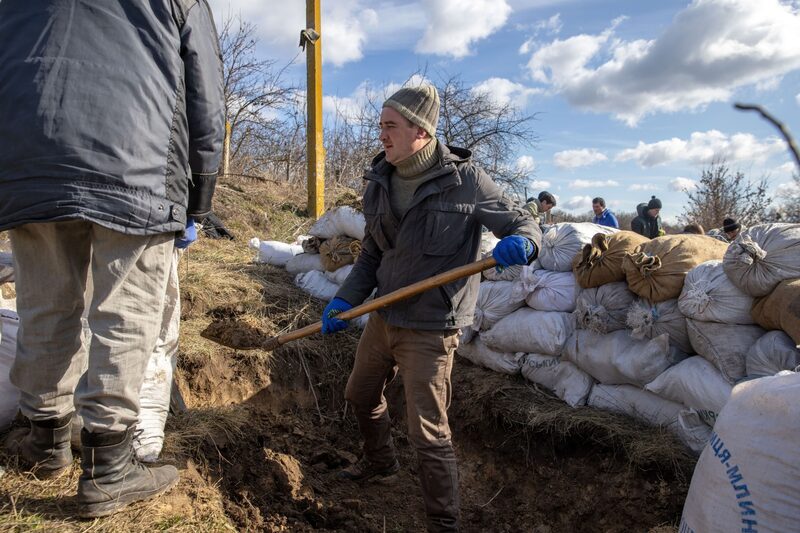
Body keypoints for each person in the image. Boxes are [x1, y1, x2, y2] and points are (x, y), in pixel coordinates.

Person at [0, 0, 224, 518]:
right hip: (137, 164)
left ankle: (46, 440)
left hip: (30, 161)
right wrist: (200, 197)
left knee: (45, 304)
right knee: (125, 312)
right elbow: (205, 94)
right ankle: (109, 467)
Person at [320, 85, 541, 532]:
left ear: (420, 131)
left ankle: (443, 522)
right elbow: (372, 255)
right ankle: (380, 463)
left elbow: (520, 220)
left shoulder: (466, 180)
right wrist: (347, 298)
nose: (381, 135)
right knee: (360, 395)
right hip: (384, 315)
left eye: (390, 126)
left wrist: (526, 241)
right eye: (380, 125)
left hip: (431, 325)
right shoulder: (379, 181)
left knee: (429, 432)